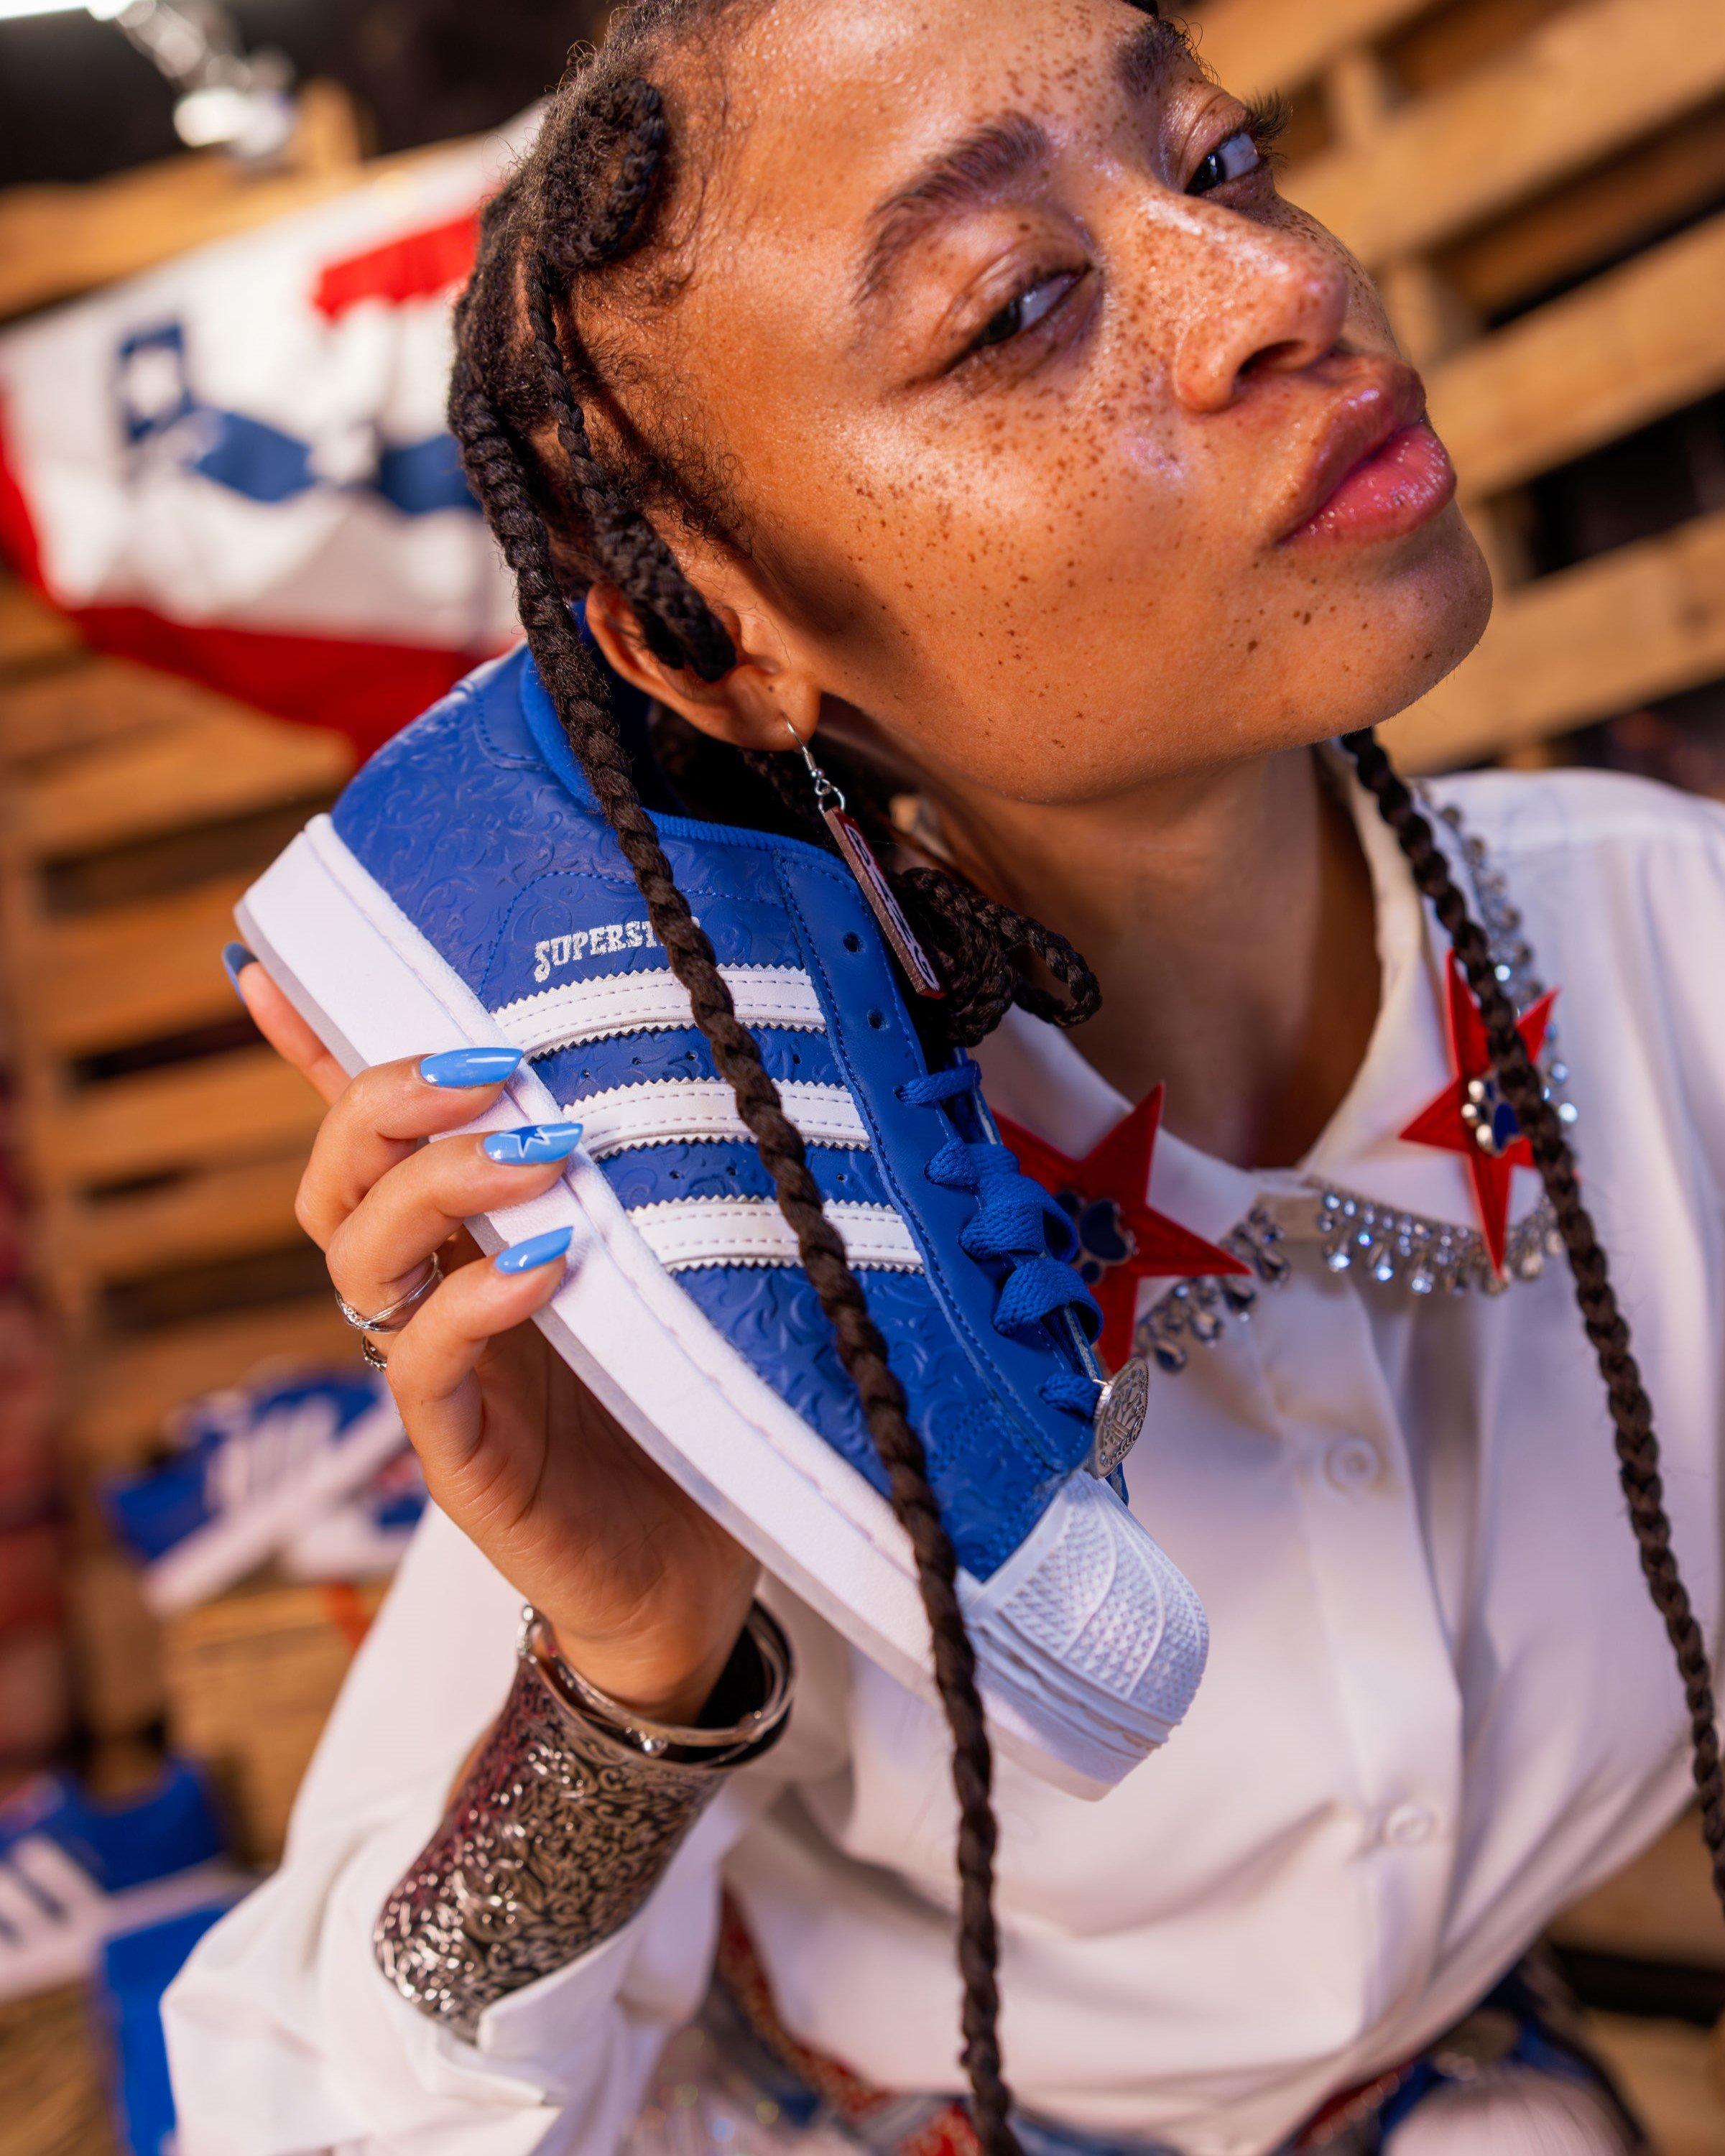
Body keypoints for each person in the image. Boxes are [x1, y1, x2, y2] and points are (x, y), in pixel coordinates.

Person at [165, 1, 1725, 2151]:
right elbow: (302, 2126)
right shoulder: (748, 1256)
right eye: (1015, 307)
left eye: (1224, 160)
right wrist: (631, 1685)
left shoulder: (1683, 959)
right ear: (710, 630)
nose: (1283, 287)